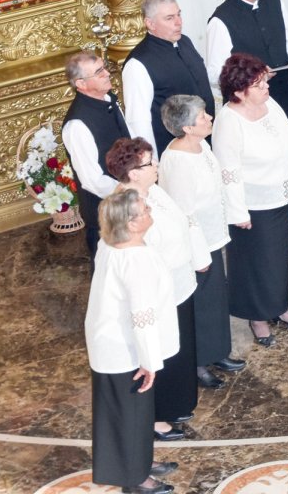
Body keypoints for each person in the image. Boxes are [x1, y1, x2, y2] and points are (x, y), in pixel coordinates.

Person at [106, 137, 210, 442]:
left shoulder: (154, 191)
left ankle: (177, 403)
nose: (156, 166)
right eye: (150, 163)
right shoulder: (126, 207)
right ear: (133, 173)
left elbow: (181, 221)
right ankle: (156, 417)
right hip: (155, 294)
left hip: (178, 284)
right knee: (158, 351)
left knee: (178, 347)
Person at [85, 189, 180, 494]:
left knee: (135, 414)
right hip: (125, 349)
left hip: (113, 342)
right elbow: (142, 316)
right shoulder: (135, 260)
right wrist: (151, 362)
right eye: (144, 209)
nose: (150, 210)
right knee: (128, 416)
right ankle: (136, 478)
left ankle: (140, 462)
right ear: (132, 223)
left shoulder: (110, 245)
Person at [212, 53, 288, 347]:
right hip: (251, 204)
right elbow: (228, 171)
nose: (266, 86)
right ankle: (257, 317)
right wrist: (238, 211)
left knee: (278, 257)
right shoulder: (229, 121)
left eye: (263, 81)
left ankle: (280, 306)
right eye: (258, 84)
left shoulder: (270, 105)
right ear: (239, 91)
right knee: (255, 262)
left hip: (279, 195)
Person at [158, 94, 246, 391]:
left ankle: (218, 351)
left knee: (215, 299)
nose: (210, 117)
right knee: (200, 303)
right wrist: (200, 255)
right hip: (196, 246)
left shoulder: (200, 145)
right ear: (186, 128)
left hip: (212, 235)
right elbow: (185, 213)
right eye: (202, 116)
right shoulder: (178, 161)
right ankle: (198, 363)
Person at [206, 0, 288, 123]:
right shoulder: (220, 19)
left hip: (283, 99)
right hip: (248, 110)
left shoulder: (276, 3)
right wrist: (252, 74)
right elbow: (215, 73)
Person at [123, 0, 216, 158]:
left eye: (179, 14)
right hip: (174, 153)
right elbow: (138, 120)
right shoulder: (138, 63)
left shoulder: (185, 42)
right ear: (150, 23)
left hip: (204, 143)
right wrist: (151, 162)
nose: (178, 22)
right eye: (169, 18)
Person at [62, 50, 130, 258]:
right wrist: (129, 190)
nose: (107, 74)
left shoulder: (108, 100)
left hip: (128, 203)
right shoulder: (77, 125)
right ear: (81, 83)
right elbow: (92, 180)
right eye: (98, 72)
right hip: (107, 215)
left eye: (104, 67)